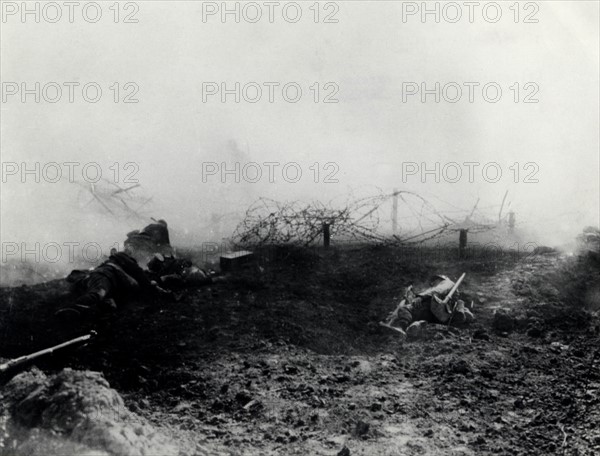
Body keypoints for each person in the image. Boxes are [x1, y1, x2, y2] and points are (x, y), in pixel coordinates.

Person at [56, 248, 170, 321]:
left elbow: (139, 277)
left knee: (108, 304)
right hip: (105, 276)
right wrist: (150, 285)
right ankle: (72, 309)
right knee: (98, 293)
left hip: (108, 281)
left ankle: (82, 310)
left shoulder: (124, 263)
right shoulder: (122, 258)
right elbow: (138, 273)